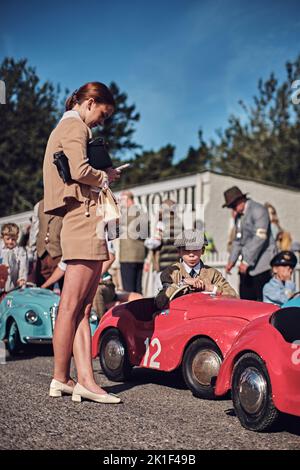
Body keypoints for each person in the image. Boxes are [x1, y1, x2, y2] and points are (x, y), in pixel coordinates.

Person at [43, 81, 121, 404]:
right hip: (84, 219)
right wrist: (105, 176)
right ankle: (65, 378)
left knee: (78, 306)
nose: (100, 122)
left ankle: (80, 379)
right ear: (90, 102)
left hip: (77, 219)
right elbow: (78, 169)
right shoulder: (75, 127)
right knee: (73, 306)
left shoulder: (66, 126)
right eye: (102, 115)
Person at [155, 230, 238, 310]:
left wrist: (210, 287)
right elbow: (160, 303)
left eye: (195, 250)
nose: (191, 254)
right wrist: (182, 283)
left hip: (206, 317)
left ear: (203, 250)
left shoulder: (212, 274)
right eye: (186, 250)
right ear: (179, 251)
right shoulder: (171, 273)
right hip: (180, 319)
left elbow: (234, 297)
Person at [224, 186, 276, 301]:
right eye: (231, 207)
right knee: (246, 300)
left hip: (262, 265)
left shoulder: (259, 210)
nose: (233, 209)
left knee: (263, 302)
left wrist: (246, 261)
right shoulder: (238, 217)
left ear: (241, 199)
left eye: (234, 205)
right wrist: (231, 261)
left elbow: (260, 238)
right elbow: (238, 240)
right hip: (246, 267)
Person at [119, 191, 147, 294]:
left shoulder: (127, 213)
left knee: (128, 291)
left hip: (127, 256)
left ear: (129, 200)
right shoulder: (142, 213)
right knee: (138, 288)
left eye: (122, 200)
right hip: (139, 256)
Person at [35, 199, 64, 289]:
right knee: (42, 287)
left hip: (59, 253)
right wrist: (34, 249)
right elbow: (35, 228)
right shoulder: (39, 205)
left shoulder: (65, 203)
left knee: (63, 285)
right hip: (42, 254)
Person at [0, 223, 28, 293]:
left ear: (17, 237)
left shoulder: (21, 251)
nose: (10, 241)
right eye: (8, 239)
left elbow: (23, 266)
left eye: (13, 239)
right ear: (2, 237)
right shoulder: (1, 249)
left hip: (12, 286)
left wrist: (22, 278)